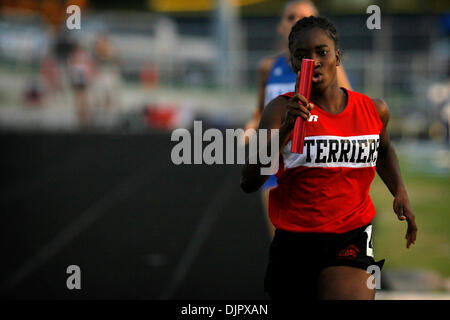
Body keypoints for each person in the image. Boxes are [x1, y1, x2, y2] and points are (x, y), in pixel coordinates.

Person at [240, 16, 418, 300]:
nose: (314, 61)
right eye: (302, 55)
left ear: (337, 56)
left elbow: (383, 149)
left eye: (322, 52)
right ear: (293, 64)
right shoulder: (280, 110)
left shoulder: (373, 109)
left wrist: (399, 190)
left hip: (351, 237)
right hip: (294, 242)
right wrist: (286, 129)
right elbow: (249, 181)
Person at [243, 0, 352, 239]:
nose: (297, 22)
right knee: (280, 241)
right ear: (280, 26)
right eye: (291, 17)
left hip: (313, 162)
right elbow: (260, 111)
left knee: (318, 241)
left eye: (305, 17)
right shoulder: (268, 67)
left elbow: (347, 110)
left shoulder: (330, 67)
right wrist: (251, 128)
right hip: (276, 159)